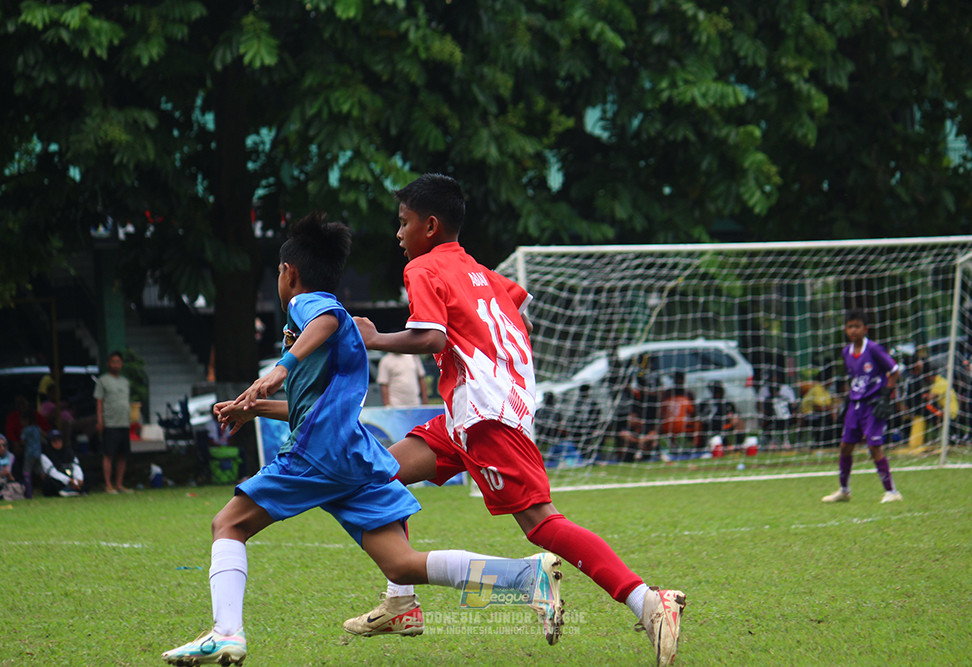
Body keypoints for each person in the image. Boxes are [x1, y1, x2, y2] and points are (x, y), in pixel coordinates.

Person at [162, 212, 563, 666]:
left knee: (228, 525)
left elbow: (328, 319)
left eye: (278, 272)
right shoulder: (320, 326)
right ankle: (526, 580)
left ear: (289, 273)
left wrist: (278, 371)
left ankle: (226, 633)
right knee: (402, 564)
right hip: (351, 456)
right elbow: (310, 408)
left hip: (317, 456)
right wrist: (252, 407)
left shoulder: (312, 307)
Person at [348, 174, 685, 666]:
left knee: (542, 524)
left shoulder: (423, 268)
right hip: (470, 411)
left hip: (486, 416)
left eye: (404, 223)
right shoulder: (480, 270)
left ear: (431, 225)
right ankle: (400, 599)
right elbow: (520, 317)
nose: (398, 234)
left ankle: (649, 602)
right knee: (376, 474)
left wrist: (374, 338)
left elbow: (432, 339)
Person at [822, 309, 902, 503]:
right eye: (850, 326)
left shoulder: (873, 349)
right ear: (845, 329)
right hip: (855, 406)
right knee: (845, 446)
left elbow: (895, 371)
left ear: (865, 329)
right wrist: (847, 402)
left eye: (857, 326)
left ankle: (892, 492)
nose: (853, 330)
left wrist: (885, 396)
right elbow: (856, 378)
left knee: (874, 446)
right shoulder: (846, 352)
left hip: (873, 405)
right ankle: (844, 490)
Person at [94, 350, 132, 494]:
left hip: (124, 423)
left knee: (123, 455)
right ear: (108, 363)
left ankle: (119, 484)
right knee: (108, 454)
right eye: (113, 361)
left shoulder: (125, 382)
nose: (116, 364)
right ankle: (108, 485)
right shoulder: (103, 381)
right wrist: (100, 420)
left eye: (118, 361)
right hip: (110, 423)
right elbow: (99, 402)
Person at [617, 370, 663, 461]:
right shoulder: (629, 425)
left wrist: (643, 439)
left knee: (652, 439)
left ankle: (655, 455)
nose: (632, 420)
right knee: (625, 438)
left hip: (643, 441)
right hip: (634, 442)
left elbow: (653, 434)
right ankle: (629, 456)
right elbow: (622, 433)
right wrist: (637, 441)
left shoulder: (645, 419)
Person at [696, 380, 745, 452]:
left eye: (718, 391)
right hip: (709, 426)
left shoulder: (727, 404)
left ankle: (738, 445)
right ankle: (700, 447)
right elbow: (698, 415)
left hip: (725, 425)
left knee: (738, 421)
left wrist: (731, 418)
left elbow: (735, 414)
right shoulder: (706, 404)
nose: (717, 393)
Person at [38, 429, 85, 497]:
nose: (57, 442)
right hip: (59, 480)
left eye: (59, 440)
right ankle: (70, 490)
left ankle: (74, 489)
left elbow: (76, 465)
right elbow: (52, 472)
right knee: (48, 482)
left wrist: (78, 479)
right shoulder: (45, 455)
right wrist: (68, 481)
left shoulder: (68, 452)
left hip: (71, 476)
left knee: (90, 476)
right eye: (54, 440)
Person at [800, 365, 838, 448]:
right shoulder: (817, 389)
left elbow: (828, 405)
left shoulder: (825, 391)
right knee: (828, 418)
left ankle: (831, 440)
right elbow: (818, 407)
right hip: (809, 415)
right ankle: (821, 442)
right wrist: (832, 409)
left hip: (818, 415)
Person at [759, 372, 797, 449]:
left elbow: (793, 404)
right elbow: (759, 405)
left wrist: (792, 412)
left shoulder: (787, 389)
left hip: (786, 417)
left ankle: (790, 440)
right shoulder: (765, 392)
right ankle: (769, 440)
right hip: (770, 417)